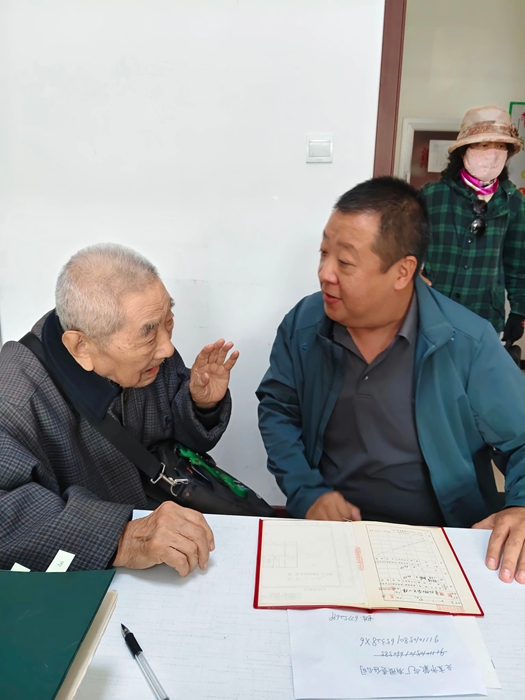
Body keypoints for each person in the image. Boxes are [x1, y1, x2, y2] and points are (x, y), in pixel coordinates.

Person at [257, 176, 525, 584]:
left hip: (442, 540)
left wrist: (520, 507)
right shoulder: (305, 325)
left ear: (403, 272)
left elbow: (521, 441)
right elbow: (278, 410)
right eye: (324, 253)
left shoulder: (466, 342)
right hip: (332, 535)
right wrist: (306, 491)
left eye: (345, 263)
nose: (325, 273)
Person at [0, 243, 239, 574]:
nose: (167, 349)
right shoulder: (13, 400)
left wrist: (201, 404)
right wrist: (124, 538)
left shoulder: (146, 357)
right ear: (81, 346)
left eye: (168, 322)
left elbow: (176, 440)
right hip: (92, 574)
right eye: (148, 334)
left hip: (168, 543)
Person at [421, 105, 525, 344]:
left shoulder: (514, 202)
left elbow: (518, 263)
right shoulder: (432, 195)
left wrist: (519, 311)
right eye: (484, 145)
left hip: (484, 316)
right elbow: (404, 243)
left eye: (501, 146)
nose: (493, 154)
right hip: (433, 311)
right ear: (464, 151)